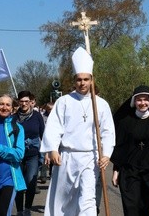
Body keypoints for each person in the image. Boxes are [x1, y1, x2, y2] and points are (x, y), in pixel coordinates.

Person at [40, 47, 115, 216]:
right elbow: (54, 126)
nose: (82, 83)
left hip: (91, 156)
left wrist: (107, 154)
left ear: (91, 80)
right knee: (64, 200)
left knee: (87, 199)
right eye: (79, 79)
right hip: (67, 156)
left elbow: (108, 131)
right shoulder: (64, 101)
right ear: (75, 80)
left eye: (86, 79)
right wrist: (52, 149)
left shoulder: (101, 104)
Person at [111, 85, 149, 216]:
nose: (142, 103)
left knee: (145, 209)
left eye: (146, 99)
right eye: (139, 100)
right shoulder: (125, 122)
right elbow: (120, 147)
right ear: (134, 102)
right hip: (129, 172)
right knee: (131, 209)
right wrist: (116, 170)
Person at [15, 90, 45, 216]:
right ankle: (20, 211)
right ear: (18, 102)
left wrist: (47, 152)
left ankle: (27, 208)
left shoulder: (37, 116)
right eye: (21, 101)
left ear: (31, 102)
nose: (24, 104)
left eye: (26, 101)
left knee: (31, 181)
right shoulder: (13, 118)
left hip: (33, 154)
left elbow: (43, 134)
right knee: (19, 183)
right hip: (18, 155)